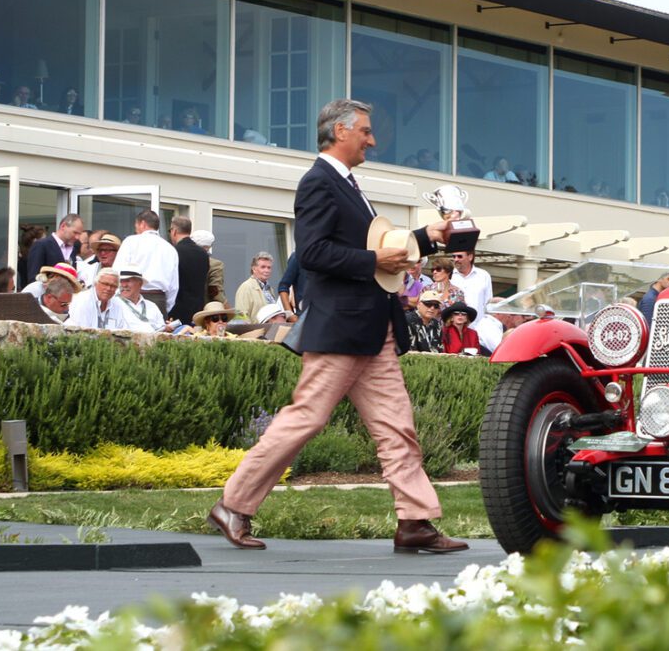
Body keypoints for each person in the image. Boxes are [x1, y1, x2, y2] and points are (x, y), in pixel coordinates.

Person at [209, 98, 466, 555]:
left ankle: (415, 522)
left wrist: (428, 237)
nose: (372, 139)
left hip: (372, 330)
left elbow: (380, 246)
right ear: (341, 131)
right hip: (342, 328)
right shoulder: (318, 183)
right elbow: (313, 254)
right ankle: (233, 504)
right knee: (306, 418)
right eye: (365, 130)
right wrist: (373, 260)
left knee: (397, 427)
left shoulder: (347, 184)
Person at [115, 210, 178, 316]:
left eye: (136, 225)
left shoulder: (131, 242)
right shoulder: (170, 248)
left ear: (142, 224)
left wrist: (117, 296)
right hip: (159, 299)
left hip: (131, 297)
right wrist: (166, 307)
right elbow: (174, 285)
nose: (135, 229)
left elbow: (117, 271)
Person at [450, 248, 501, 353]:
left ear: (470, 257)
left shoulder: (483, 275)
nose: (456, 259)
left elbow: (488, 304)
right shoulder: (450, 275)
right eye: (454, 256)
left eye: (459, 256)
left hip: (478, 332)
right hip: (454, 331)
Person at [168, 216, 209, 327]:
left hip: (177, 311)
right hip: (197, 312)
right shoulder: (203, 254)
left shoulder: (173, 252)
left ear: (174, 231)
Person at [65, 269, 137, 330]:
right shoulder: (83, 300)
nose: (108, 288)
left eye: (113, 286)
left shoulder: (118, 304)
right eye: (105, 284)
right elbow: (82, 332)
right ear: (95, 283)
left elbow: (123, 330)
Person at [118, 268, 167, 333]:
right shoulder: (114, 304)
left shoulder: (152, 306)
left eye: (128, 281)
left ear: (140, 283)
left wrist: (166, 328)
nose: (124, 285)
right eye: (121, 281)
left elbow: (161, 330)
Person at [234, 252, 275, 321]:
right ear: (254, 269)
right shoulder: (246, 287)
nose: (267, 270)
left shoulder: (270, 289)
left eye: (269, 267)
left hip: (272, 330)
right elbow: (241, 317)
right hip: (256, 331)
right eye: (263, 267)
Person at [191, 229, 226, 304]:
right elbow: (215, 292)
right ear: (208, 246)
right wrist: (229, 310)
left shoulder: (182, 259)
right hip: (205, 311)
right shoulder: (215, 264)